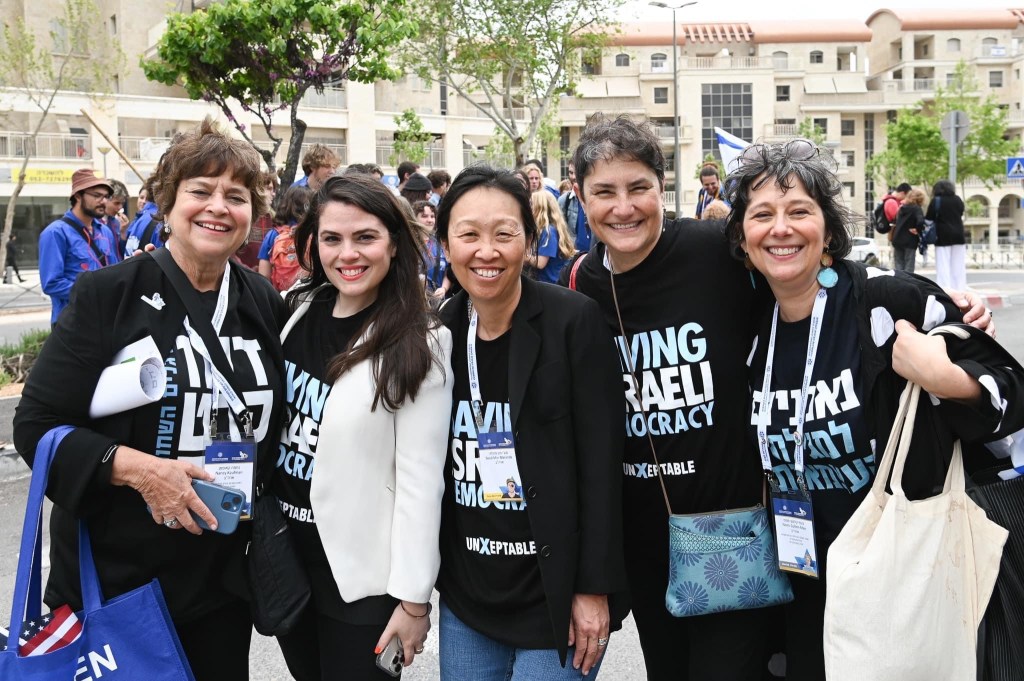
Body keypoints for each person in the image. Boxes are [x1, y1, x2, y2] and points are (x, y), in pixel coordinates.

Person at [562, 114, 995, 681]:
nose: (624, 207)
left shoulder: (713, 253)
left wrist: (937, 312)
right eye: (604, 192)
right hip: (645, 535)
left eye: (638, 187)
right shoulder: (579, 283)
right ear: (579, 196)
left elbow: (806, 272)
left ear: (661, 188)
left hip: (742, 530)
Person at [723, 138, 1024, 681]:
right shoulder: (750, 330)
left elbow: (1011, 393)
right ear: (743, 239)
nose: (781, 228)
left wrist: (948, 379)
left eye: (799, 211)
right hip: (803, 579)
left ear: (828, 229)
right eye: (762, 214)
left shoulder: (889, 302)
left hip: (907, 573)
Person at [13, 118, 287, 680]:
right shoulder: (107, 296)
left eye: (235, 196)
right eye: (200, 191)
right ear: (167, 202)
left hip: (221, 579)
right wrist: (138, 470)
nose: (218, 207)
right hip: (118, 584)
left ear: (252, 215)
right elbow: (35, 424)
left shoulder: (262, 301)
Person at [434, 165, 628, 680]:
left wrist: (592, 589)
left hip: (557, 595)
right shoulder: (437, 334)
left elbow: (603, 465)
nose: (486, 251)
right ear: (445, 245)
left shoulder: (574, 322)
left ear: (530, 238)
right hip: (470, 597)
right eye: (468, 234)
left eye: (504, 233)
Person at [272, 174, 452, 680]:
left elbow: (421, 480)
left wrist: (414, 601)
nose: (347, 254)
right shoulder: (299, 309)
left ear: (394, 242)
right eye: (332, 239)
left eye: (365, 237)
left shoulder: (423, 341)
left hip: (361, 580)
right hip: (288, 560)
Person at [39, 168, 121, 326]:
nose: (103, 201)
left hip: (106, 320)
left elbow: (115, 270)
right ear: (78, 195)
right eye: (97, 195)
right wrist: (92, 293)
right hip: (73, 323)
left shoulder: (105, 231)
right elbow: (52, 283)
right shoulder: (55, 233)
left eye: (106, 196)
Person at [258, 183, 310, 291]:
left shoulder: (273, 234)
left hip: (279, 296)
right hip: (307, 294)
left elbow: (263, 277)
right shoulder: (313, 233)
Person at [927, 179, 967, 291]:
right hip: (959, 235)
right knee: (958, 265)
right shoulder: (958, 200)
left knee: (943, 264)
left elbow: (929, 218)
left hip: (942, 235)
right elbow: (961, 212)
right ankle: (960, 289)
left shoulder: (936, 201)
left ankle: (946, 290)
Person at [527, 190, 575, 284]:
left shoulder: (549, 232)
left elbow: (541, 263)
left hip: (551, 283)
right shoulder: (544, 229)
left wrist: (524, 257)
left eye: (531, 204)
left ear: (540, 208)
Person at [414, 199, 452, 302]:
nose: (430, 220)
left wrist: (444, 288)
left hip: (439, 300)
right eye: (424, 216)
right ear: (414, 218)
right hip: (415, 301)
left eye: (432, 216)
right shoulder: (409, 243)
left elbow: (449, 271)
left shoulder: (441, 243)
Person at [558, 162, 592, 254]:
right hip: (574, 258)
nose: (573, 177)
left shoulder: (596, 198)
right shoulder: (564, 200)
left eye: (576, 172)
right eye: (570, 172)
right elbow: (560, 231)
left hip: (595, 258)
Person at [892, 187, 926, 272]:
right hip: (910, 240)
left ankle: (898, 284)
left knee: (898, 266)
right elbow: (921, 222)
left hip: (897, 239)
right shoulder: (916, 209)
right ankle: (907, 284)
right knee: (909, 267)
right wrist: (917, 230)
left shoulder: (901, 208)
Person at [103, 179, 130, 258]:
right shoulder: (92, 223)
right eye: (117, 203)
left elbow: (121, 253)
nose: (120, 207)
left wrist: (123, 233)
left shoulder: (115, 222)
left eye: (122, 203)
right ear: (105, 199)